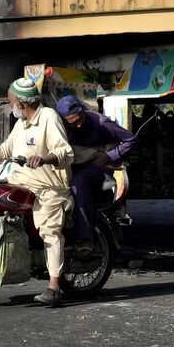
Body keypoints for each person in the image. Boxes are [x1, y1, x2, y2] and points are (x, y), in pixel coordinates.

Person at [0, 77, 75, 307]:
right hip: (21, 182)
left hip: (49, 187)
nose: (10, 106)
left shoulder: (48, 118)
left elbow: (65, 151)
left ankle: (54, 286)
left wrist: (43, 158)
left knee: (49, 231)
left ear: (21, 103)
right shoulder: (21, 124)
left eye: (11, 101)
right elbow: (4, 149)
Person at [54, 94, 137, 242]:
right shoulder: (60, 128)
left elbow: (130, 140)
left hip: (101, 175)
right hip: (73, 170)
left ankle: (86, 238)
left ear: (82, 111)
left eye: (80, 119)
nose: (78, 125)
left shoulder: (101, 123)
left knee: (78, 183)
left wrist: (107, 157)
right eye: (72, 123)